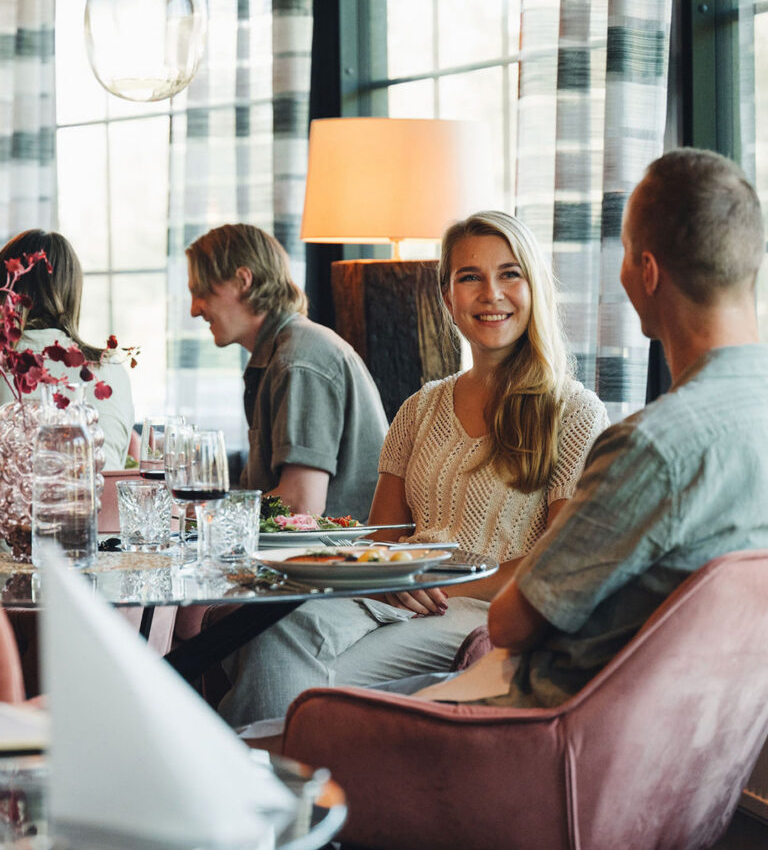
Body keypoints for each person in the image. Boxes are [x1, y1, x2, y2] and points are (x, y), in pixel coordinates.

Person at [217, 211, 609, 727]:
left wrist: (432, 584)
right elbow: (383, 536)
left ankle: (265, 794)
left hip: (479, 613)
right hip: (393, 598)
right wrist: (390, 576)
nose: (491, 293)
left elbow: (555, 567)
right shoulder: (420, 408)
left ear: (534, 287)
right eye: (470, 277)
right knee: (260, 631)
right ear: (447, 297)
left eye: (509, 273)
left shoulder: (574, 412)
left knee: (286, 669)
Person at [462, 147, 768, 710]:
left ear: (647, 272)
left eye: (625, 255)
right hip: (696, 736)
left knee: (297, 735)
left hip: (546, 731)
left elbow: (509, 623)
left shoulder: (651, 447)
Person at [185, 223, 387, 519]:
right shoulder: (284, 354)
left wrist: (205, 515)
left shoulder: (299, 361)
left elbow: (300, 504)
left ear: (243, 280)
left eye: (201, 291)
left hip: (338, 558)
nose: (193, 309)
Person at [0, 229, 134, 470]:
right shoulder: (110, 367)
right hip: (104, 507)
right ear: (73, 293)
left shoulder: (6, 365)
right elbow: (115, 467)